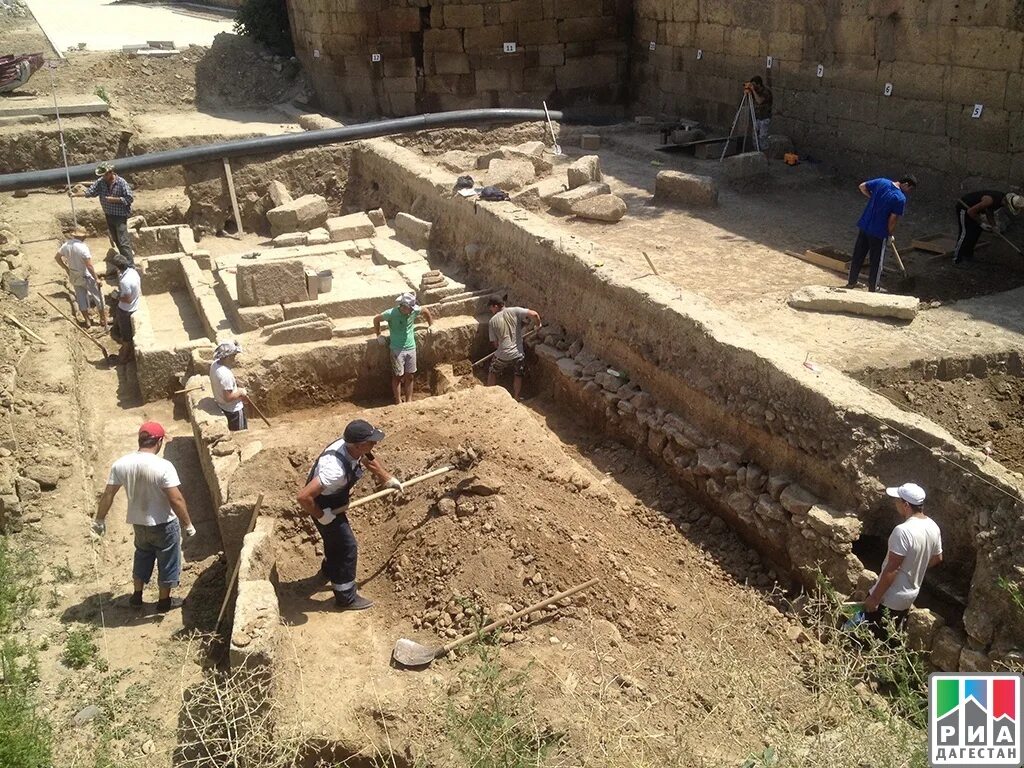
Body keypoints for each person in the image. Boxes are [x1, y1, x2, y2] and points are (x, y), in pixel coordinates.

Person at [296, 419, 403, 610]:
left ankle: (328, 571)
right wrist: (322, 516)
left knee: (334, 541)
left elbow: (369, 458)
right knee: (347, 547)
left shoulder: (352, 446)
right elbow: (304, 497)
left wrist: (387, 478)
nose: (374, 444)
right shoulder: (334, 470)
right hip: (321, 505)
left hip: (333, 501)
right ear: (359, 445)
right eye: (371, 441)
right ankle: (346, 597)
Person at [92, 422, 195, 612]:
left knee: (142, 556)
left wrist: (99, 520)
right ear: (159, 441)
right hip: (164, 523)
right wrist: (188, 524)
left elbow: (108, 495)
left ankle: (137, 597)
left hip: (139, 524)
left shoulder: (121, 464)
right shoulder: (163, 466)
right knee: (168, 560)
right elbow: (176, 499)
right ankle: (164, 602)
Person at [863, 482, 942, 639]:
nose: (895, 503)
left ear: (906, 505)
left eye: (897, 500)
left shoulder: (903, 531)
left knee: (868, 637)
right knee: (890, 636)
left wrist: (874, 598)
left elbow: (892, 569)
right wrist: (915, 566)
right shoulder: (933, 526)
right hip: (910, 595)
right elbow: (937, 558)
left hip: (890, 598)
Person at [845, 175, 917, 292]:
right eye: (910, 189)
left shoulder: (881, 182)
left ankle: (851, 282)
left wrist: (873, 198)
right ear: (906, 184)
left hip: (865, 225)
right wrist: (889, 234)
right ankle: (873, 289)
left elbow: (862, 186)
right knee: (876, 261)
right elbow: (892, 220)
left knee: (858, 256)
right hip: (878, 232)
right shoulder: (900, 198)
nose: (909, 192)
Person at [374, 292, 433, 405]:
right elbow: (376, 319)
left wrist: (431, 325)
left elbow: (425, 311)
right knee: (397, 376)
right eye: (410, 309)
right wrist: (378, 334)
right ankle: (398, 401)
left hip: (411, 347)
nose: (412, 311)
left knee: (410, 376)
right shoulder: (391, 313)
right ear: (403, 307)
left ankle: (409, 401)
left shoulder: (413, 311)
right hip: (397, 349)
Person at [486, 296, 541, 401]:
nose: (491, 311)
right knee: (518, 374)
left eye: (491, 308)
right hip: (518, 354)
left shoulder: (492, 321)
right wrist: (538, 325)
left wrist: (501, 347)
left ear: (496, 306)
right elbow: (534, 314)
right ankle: (516, 397)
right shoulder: (515, 310)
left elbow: (495, 344)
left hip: (502, 354)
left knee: (492, 372)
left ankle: (489, 396)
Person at [80, 161, 135, 265]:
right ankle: (124, 261)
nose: (103, 177)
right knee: (116, 239)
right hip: (109, 215)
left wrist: (115, 200)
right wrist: (75, 194)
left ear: (111, 172)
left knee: (123, 241)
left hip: (120, 216)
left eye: (105, 174)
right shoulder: (101, 182)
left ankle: (130, 265)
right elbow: (90, 192)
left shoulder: (121, 182)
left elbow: (129, 198)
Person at [54, 225, 107, 328]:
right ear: (82, 237)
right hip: (85, 275)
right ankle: (102, 319)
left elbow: (57, 258)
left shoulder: (66, 245)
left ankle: (87, 321)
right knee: (98, 297)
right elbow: (89, 266)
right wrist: (96, 278)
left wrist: (66, 268)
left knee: (81, 298)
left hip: (74, 275)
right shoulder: (83, 247)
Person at [954, 190, 1024, 265]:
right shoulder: (989, 200)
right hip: (964, 208)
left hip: (975, 211)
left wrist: (994, 226)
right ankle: (957, 259)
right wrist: (981, 223)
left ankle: (967, 255)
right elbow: (971, 211)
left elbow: (989, 211)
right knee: (966, 233)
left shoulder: (1001, 201)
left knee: (975, 233)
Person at [210, 340, 249, 431]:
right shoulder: (225, 375)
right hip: (234, 411)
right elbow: (228, 397)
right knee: (241, 434)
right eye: (233, 355)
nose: (235, 358)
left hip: (223, 407)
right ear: (227, 357)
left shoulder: (214, 364)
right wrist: (240, 392)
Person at [113, 254, 141, 363]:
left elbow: (128, 299)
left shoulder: (125, 281)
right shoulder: (133, 272)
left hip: (126, 310)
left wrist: (116, 296)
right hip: (135, 305)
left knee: (126, 337)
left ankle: (124, 358)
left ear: (117, 267)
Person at [744, 75, 772, 151]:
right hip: (757, 118)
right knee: (754, 137)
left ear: (758, 84)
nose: (752, 86)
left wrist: (753, 90)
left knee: (762, 137)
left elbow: (759, 101)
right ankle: (757, 153)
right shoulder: (755, 92)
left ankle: (765, 155)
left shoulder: (766, 92)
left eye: (754, 85)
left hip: (764, 118)